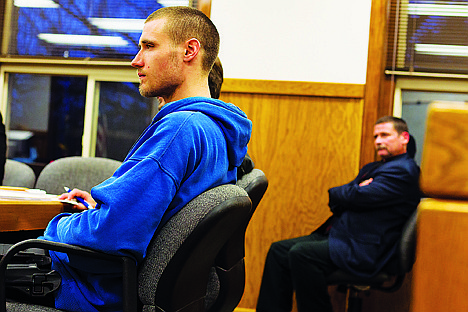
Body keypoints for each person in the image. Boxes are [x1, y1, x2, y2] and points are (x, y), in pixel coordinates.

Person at [27, 6, 252, 312]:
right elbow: (158, 213)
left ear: (190, 50)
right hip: (130, 285)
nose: (136, 60)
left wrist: (56, 227)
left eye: (149, 46)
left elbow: (110, 236)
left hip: (93, 291)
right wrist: (106, 209)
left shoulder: (179, 130)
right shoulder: (216, 130)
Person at [256, 116, 421, 312]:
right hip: (346, 237)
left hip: (367, 248)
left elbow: (354, 196)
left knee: (302, 255)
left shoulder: (404, 171)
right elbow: (340, 197)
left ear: (404, 138)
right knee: (278, 251)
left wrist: (353, 192)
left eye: (384, 135)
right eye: (375, 136)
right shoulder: (375, 168)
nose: (378, 141)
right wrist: (352, 192)